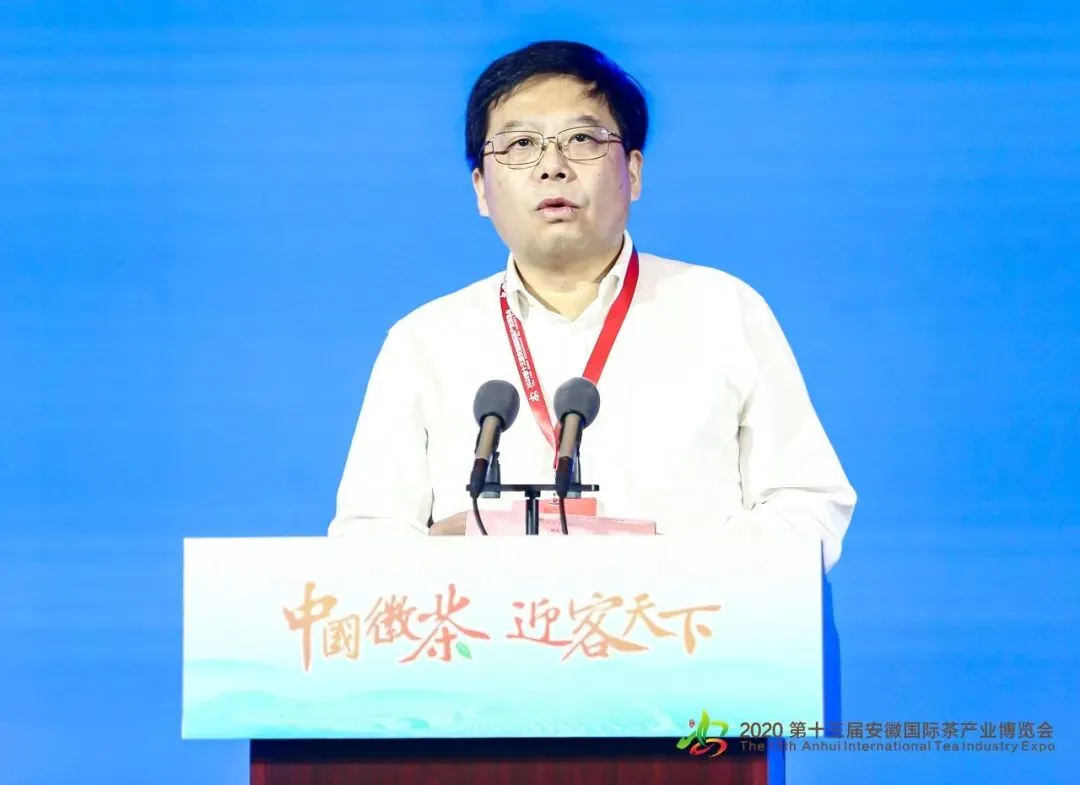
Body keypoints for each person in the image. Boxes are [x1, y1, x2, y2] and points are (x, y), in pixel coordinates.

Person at [328, 40, 856, 570]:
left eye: (582, 139)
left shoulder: (721, 311)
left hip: (679, 620)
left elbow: (807, 505)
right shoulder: (424, 342)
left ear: (634, 172)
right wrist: (434, 560)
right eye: (520, 144)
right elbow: (367, 535)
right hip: (487, 621)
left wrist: (683, 571)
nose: (552, 167)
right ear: (481, 190)